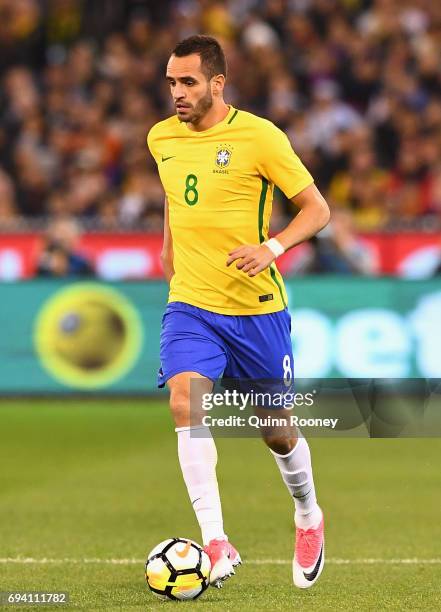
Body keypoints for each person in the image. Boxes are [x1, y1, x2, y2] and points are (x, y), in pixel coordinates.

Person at [147, 35, 330, 590]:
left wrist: (271, 248)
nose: (177, 93)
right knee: (185, 398)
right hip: (192, 304)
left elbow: (317, 210)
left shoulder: (259, 137)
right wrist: (168, 246)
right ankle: (215, 541)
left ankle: (308, 513)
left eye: (189, 83)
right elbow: (175, 195)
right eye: (172, 82)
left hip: (256, 310)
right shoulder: (161, 137)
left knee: (275, 431)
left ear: (217, 84)